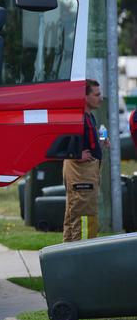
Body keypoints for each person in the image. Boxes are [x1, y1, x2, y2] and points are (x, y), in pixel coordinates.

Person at [62, 79, 106, 242]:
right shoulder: (77, 117)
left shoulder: (89, 117)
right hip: (81, 175)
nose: (100, 98)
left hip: (87, 174)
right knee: (85, 217)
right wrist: (75, 155)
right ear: (85, 96)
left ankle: (69, 255)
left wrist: (101, 141)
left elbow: (88, 143)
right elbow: (59, 140)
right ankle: (83, 256)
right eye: (97, 94)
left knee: (74, 215)